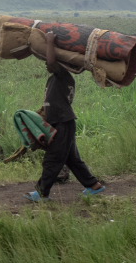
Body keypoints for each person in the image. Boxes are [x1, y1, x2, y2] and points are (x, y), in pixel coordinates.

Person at [24, 31, 106, 202]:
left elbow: (52, 61)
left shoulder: (62, 75)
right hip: (62, 122)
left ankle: (42, 193)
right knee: (72, 159)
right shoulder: (56, 78)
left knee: (52, 159)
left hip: (63, 123)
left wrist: (50, 41)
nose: (48, 65)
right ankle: (93, 185)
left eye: (51, 62)